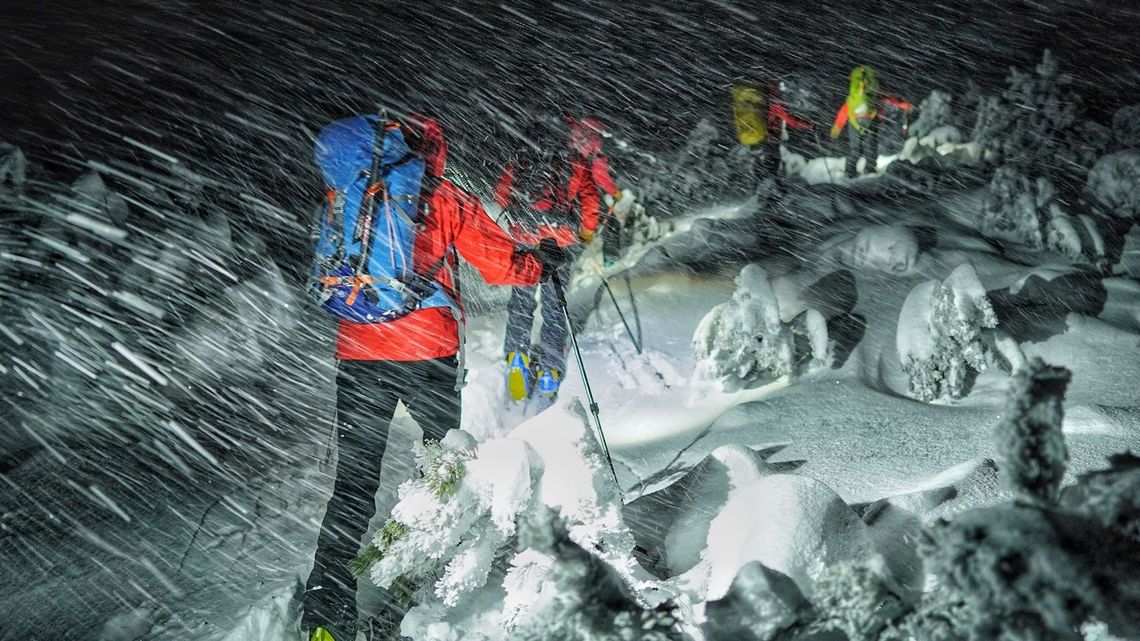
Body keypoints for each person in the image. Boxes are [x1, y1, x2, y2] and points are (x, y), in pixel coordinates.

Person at [302, 114, 554, 641]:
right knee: (448, 466)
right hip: (427, 349)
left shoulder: (345, 192)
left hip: (358, 350)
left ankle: (325, 618)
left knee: (353, 484)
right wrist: (539, 264)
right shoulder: (439, 194)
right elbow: (500, 264)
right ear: (428, 148)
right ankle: (429, 582)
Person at [495, 119, 601, 403]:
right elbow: (591, 201)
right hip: (558, 242)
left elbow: (501, 193)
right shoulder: (575, 162)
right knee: (555, 308)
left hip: (525, 239)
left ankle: (517, 358)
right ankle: (550, 372)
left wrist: (522, 218)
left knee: (521, 303)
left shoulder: (523, 158)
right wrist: (585, 233)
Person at [828, 66, 914, 178]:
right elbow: (892, 99)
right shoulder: (876, 93)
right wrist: (906, 105)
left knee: (855, 150)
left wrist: (837, 127)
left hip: (854, 121)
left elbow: (844, 111)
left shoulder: (853, 97)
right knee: (871, 149)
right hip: (871, 120)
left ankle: (849, 173)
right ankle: (870, 172)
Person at [730, 80, 812, 197]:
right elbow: (790, 119)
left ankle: (757, 194)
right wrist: (808, 125)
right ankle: (772, 196)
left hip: (754, 138)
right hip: (770, 138)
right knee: (772, 167)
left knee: (759, 166)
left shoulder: (752, 101)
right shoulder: (774, 102)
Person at [566, 115, 624, 265]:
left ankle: (571, 261)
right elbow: (599, 173)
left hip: (567, 186)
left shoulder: (574, 127)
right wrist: (614, 192)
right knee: (604, 218)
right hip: (581, 185)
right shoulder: (596, 139)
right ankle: (610, 257)